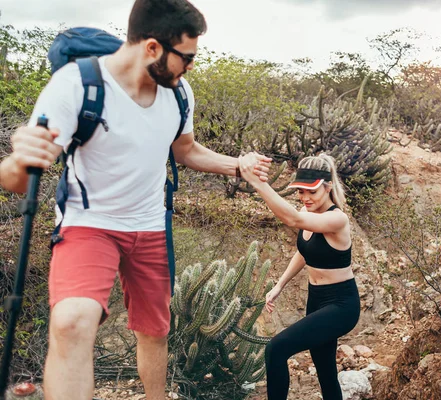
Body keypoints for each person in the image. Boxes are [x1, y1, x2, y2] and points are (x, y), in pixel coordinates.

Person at [0, 1, 271, 399]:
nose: (191, 66)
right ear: (152, 48)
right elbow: (17, 182)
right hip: (87, 223)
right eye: (187, 57)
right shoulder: (77, 86)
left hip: (149, 226)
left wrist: (237, 165)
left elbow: (186, 150)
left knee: (154, 332)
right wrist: (19, 157)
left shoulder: (178, 94)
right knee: (72, 321)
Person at [239, 153, 360, 400]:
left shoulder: (336, 219)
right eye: (301, 192)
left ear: (327, 188)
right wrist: (280, 285)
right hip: (316, 300)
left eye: (311, 192)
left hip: (341, 304)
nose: (305, 198)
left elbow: (292, 218)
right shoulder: (312, 215)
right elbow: (304, 252)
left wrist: (259, 183)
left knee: (276, 348)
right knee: (326, 371)